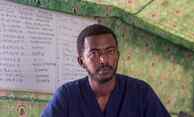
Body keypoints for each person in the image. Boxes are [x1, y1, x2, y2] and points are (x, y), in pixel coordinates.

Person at [41, 24, 171, 117]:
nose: (103, 60)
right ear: (81, 62)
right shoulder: (66, 96)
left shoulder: (141, 92)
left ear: (117, 56)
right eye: (94, 53)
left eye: (110, 51)